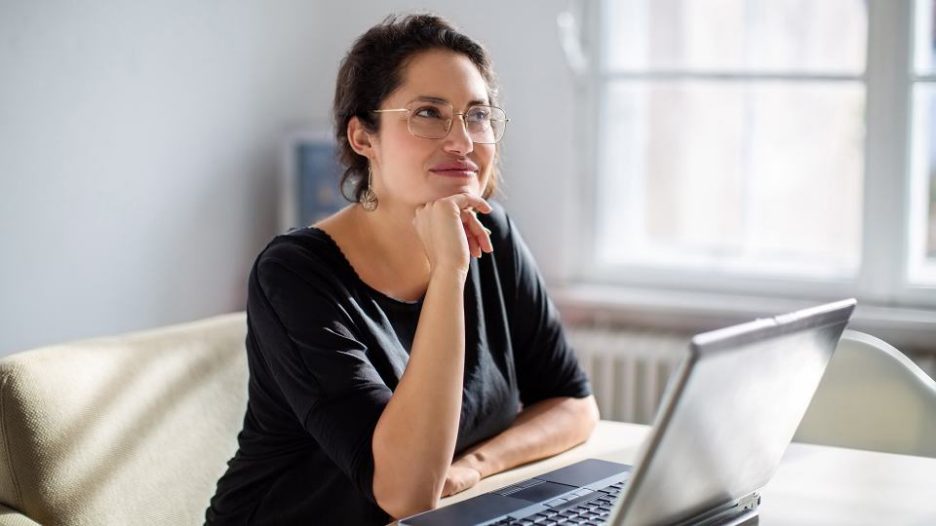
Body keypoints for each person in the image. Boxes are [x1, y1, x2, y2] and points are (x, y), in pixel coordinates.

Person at [206, 13, 599, 525]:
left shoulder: (494, 235)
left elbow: (573, 404)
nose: (462, 141)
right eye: (428, 114)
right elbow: (404, 493)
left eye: (477, 115)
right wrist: (449, 274)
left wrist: (476, 465)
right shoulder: (293, 275)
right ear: (363, 138)